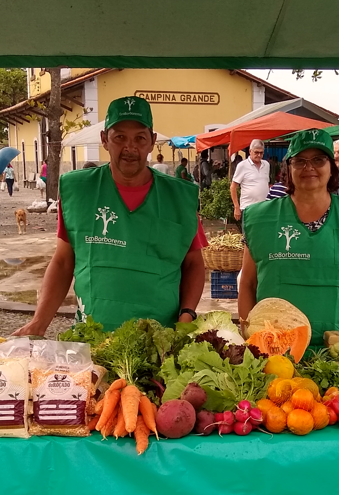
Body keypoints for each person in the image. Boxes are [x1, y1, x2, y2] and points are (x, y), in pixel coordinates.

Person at [12, 96, 207, 335]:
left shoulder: (179, 197)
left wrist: (187, 315)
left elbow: (194, 263)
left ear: (152, 142)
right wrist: (38, 323)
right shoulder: (79, 190)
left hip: (160, 340)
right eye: (120, 137)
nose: (130, 147)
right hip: (92, 338)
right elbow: (63, 261)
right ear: (105, 140)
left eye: (140, 138)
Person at [238, 129, 339, 345]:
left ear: (332, 167)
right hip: (275, 348)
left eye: (319, 160)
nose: (309, 167)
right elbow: (248, 282)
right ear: (289, 167)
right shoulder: (260, 218)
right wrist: (248, 339)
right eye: (300, 161)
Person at [230, 139, 270, 225]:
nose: (259, 155)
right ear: (250, 151)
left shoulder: (266, 165)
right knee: (249, 236)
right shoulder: (242, 165)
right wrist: (236, 207)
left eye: (261, 153)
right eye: (256, 152)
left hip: (264, 208)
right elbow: (233, 187)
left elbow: (266, 183)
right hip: (248, 208)